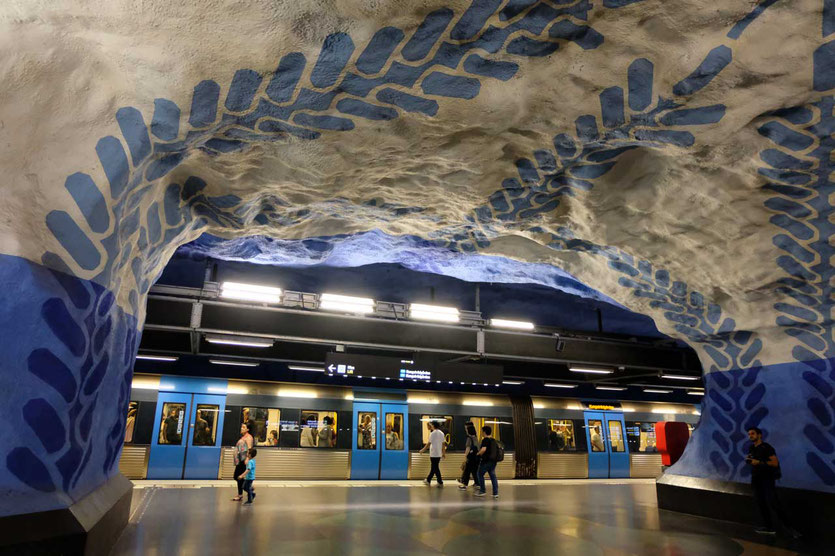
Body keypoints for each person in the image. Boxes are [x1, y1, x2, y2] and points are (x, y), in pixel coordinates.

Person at [746, 427, 798, 536]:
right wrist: (750, 460)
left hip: (767, 480)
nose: (750, 436)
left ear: (759, 435)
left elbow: (775, 463)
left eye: (753, 433)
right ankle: (768, 527)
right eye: (749, 434)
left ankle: (790, 528)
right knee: (761, 503)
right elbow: (752, 460)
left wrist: (759, 462)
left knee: (774, 503)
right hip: (756, 479)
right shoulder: (751, 448)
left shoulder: (767, 447)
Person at [474, 425, 499, 498]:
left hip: (486, 461)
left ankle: (482, 491)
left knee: (479, 474)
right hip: (493, 461)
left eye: (482, 431)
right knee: (493, 476)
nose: (482, 433)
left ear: (484, 432)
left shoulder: (485, 440)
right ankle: (495, 493)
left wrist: (478, 454)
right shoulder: (493, 440)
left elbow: (483, 450)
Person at [231, 422, 253, 501]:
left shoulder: (248, 437)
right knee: (237, 476)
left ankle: (243, 492)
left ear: (248, 429)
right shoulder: (244, 437)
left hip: (243, 461)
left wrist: (247, 458)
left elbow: (250, 448)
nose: (241, 428)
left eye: (243, 427)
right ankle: (247, 488)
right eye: (241, 427)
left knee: (237, 476)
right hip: (240, 460)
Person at [419, 421, 446, 486]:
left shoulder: (432, 433)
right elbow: (443, 444)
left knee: (435, 467)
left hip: (433, 453)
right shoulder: (442, 433)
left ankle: (434, 481)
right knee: (434, 467)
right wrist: (443, 453)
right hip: (439, 453)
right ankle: (434, 480)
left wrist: (422, 450)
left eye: (431, 425)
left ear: (433, 425)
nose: (430, 426)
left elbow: (429, 443)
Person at [458, 422, 480, 490]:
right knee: (474, 471)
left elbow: (468, 448)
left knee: (467, 470)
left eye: (467, 430)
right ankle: (477, 483)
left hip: (470, 458)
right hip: (476, 458)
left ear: (469, 431)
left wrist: (465, 457)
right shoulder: (475, 438)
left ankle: (464, 484)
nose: (466, 431)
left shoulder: (469, 438)